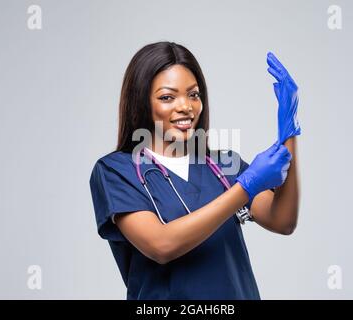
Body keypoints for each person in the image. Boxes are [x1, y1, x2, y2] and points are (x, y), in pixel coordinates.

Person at [89, 41, 301, 300]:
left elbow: (282, 220)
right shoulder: (116, 171)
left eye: (193, 94)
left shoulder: (224, 165)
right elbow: (161, 245)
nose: (186, 106)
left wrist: (289, 132)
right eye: (167, 97)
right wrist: (245, 187)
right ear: (141, 101)